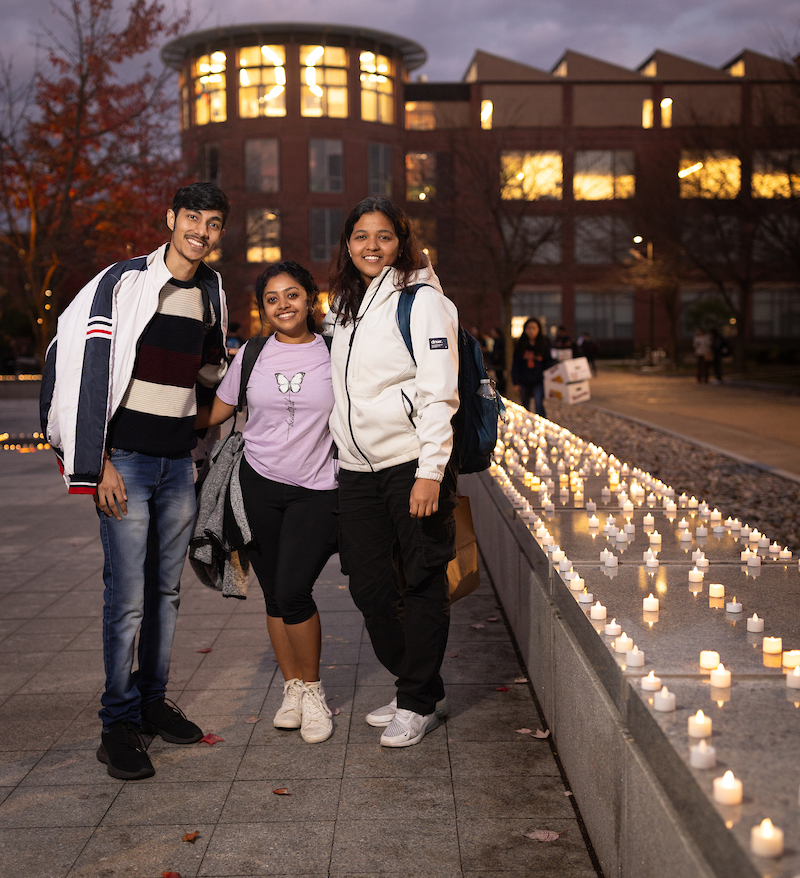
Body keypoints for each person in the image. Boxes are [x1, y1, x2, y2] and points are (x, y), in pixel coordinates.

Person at [40, 182, 230, 780]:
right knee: (126, 600)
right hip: (127, 463)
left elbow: (209, 369)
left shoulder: (212, 290)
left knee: (166, 595)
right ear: (171, 219)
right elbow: (78, 365)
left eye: (214, 222)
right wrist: (98, 462)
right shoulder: (121, 283)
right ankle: (116, 724)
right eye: (192, 217)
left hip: (178, 465)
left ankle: (151, 705)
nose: (201, 230)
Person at [324, 196, 459, 748]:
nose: (371, 246)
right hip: (357, 468)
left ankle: (418, 699)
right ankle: (418, 684)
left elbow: (438, 391)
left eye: (383, 236)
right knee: (368, 584)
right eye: (360, 236)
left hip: (410, 464)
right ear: (347, 243)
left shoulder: (421, 301)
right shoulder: (343, 304)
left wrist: (431, 470)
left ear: (400, 242)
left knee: (423, 578)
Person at [201, 261, 338, 744]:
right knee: (276, 594)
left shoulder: (334, 351)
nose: (284, 305)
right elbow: (216, 411)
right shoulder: (253, 354)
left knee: (295, 589)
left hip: (318, 488)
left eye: (293, 295)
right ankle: (293, 689)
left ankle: (315, 691)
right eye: (272, 298)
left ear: (311, 300)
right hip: (255, 485)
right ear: (263, 309)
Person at [512, 317, 554, 416]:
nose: (531, 331)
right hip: (524, 380)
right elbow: (516, 364)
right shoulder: (520, 345)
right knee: (525, 405)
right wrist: (516, 382)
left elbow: (549, 362)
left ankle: (541, 424)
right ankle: (526, 425)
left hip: (539, 380)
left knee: (538, 403)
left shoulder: (544, 344)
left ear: (538, 329)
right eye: (528, 328)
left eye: (533, 328)